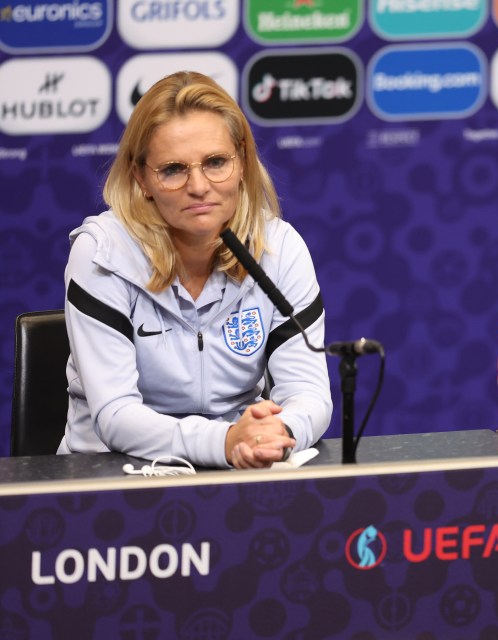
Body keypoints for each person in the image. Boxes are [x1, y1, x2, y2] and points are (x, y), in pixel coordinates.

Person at [59, 71, 333, 468]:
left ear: (241, 162)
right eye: (173, 169)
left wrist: (277, 436)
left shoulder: (278, 247)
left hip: (241, 466)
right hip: (111, 475)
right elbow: (115, 416)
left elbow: (308, 391)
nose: (199, 186)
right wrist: (224, 441)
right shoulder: (102, 253)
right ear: (141, 178)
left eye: (216, 162)